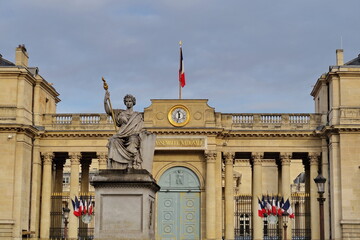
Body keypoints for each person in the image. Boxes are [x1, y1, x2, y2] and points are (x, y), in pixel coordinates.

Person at [104, 91, 144, 169]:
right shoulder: (120, 112)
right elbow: (109, 111)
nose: (128, 103)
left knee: (133, 140)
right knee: (113, 140)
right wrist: (105, 100)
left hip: (133, 135)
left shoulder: (138, 115)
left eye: (130, 101)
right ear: (125, 103)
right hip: (122, 135)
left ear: (133, 102)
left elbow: (141, 128)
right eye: (127, 101)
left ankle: (130, 163)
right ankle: (113, 165)